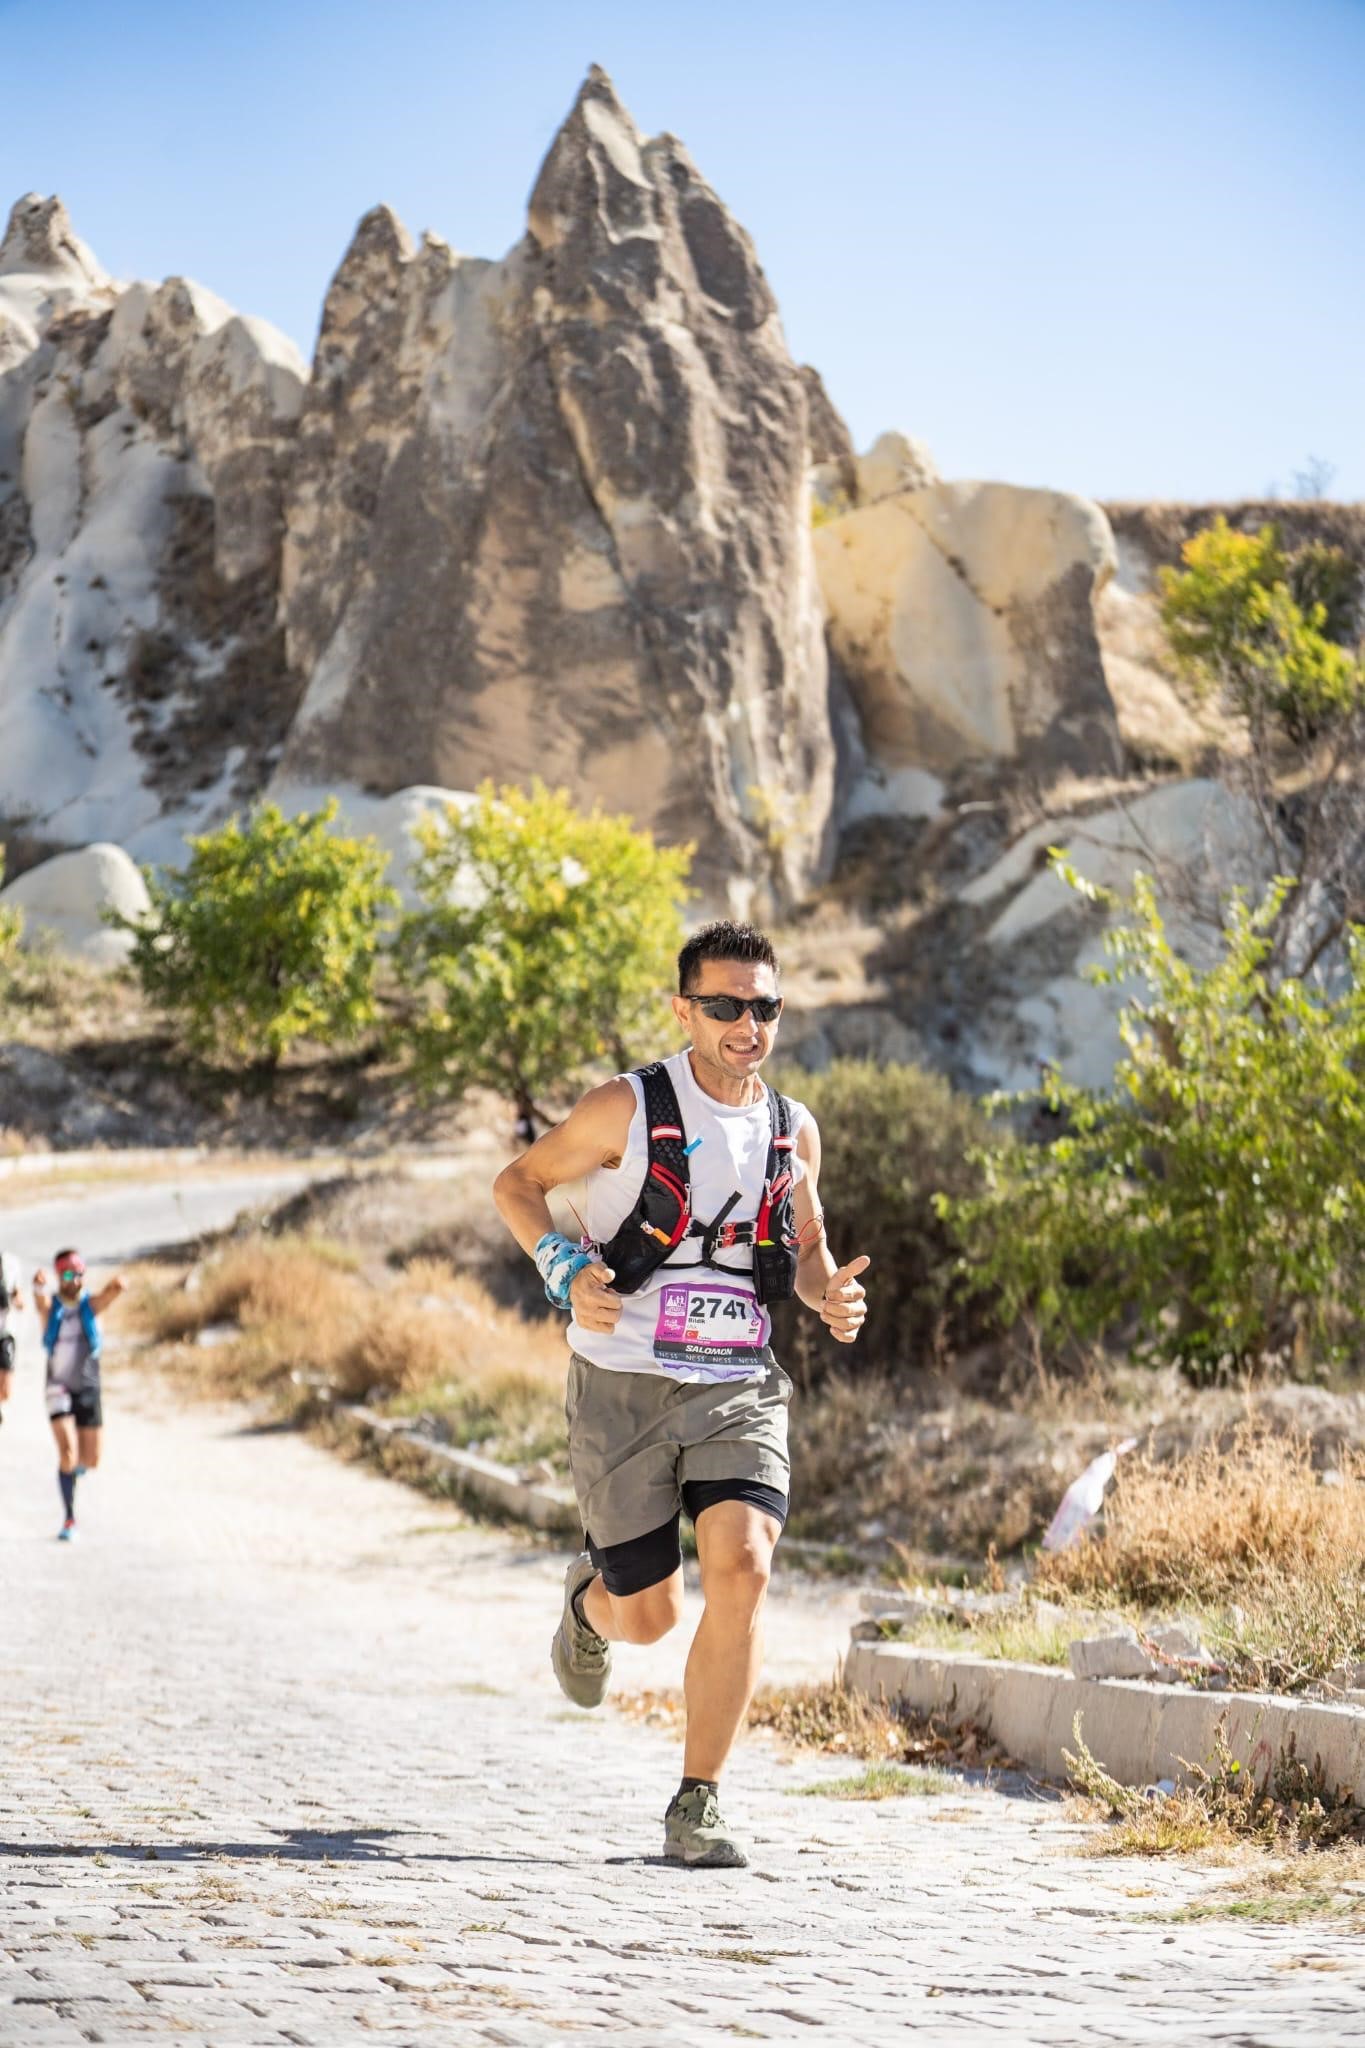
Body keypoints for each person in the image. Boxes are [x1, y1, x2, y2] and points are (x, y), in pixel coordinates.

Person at [493, 919, 869, 1868]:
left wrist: (831, 1296)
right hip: (621, 1381)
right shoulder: (626, 1106)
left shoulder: (793, 1128)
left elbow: (806, 1248)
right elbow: (519, 1184)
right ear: (683, 1009)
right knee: (649, 1616)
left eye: (764, 1006)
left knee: (743, 1568)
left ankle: (697, 1802)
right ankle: (590, 1607)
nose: (747, 1025)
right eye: (724, 1006)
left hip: (738, 1381)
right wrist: (561, 1267)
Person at [32, 1249, 125, 1541]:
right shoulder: (52, 1308)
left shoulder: (89, 1306)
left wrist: (118, 1285)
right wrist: (36, 1287)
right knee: (67, 1453)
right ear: (60, 1276)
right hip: (58, 1386)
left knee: (91, 1459)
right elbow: (40, 1301)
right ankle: (69, 1518)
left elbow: (109, 1296)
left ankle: (74, 1474)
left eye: (80, 1273)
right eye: (69, 1274)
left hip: (88, 1386)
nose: (75, 1280)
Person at [0, 1249, 23, 1424]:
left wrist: (16, 1300)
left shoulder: (11, 1263)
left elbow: (19, 1296)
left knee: (6, 1390)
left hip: (5, 1332)